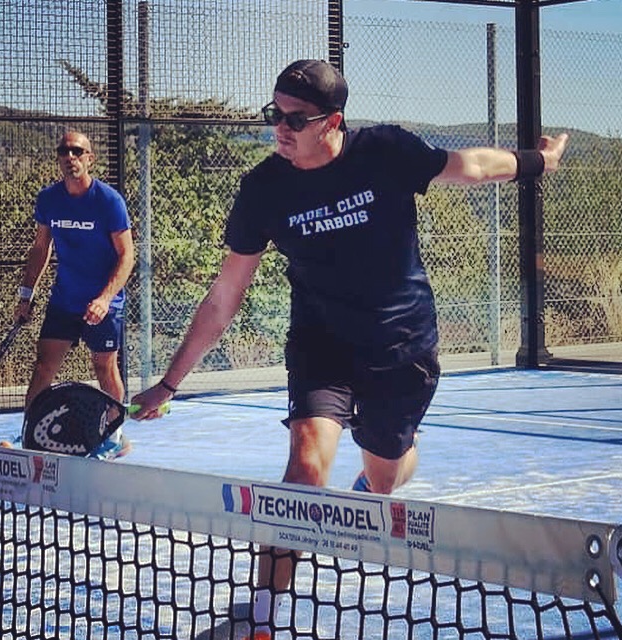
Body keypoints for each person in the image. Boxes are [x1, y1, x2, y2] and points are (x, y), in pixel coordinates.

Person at [130, 60, 568, 638]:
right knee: (303, 471)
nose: (280, 128)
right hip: (322, 346)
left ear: (332, 121)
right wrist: (169, 383)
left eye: (295, 119)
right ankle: (261, 619)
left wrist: (540, 161)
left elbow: (472, 166)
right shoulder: (264, 188)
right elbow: (224, 295)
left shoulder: (385, 151)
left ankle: (391, 456)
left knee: (384, 480)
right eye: (274, 114)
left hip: (401, 344)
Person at [14, 130, 135, 459]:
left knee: (104, 368)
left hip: (104, 304)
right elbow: (41, 248)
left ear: (89, 158)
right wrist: (26, 295)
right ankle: (30, 439)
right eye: (64, 151)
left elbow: (127, 256)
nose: (70, 157)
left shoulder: (109, 201)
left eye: (77, 151)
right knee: (43, 367)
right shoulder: (48, 199)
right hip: (64, 301)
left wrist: (105, 299)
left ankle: (113, 438)